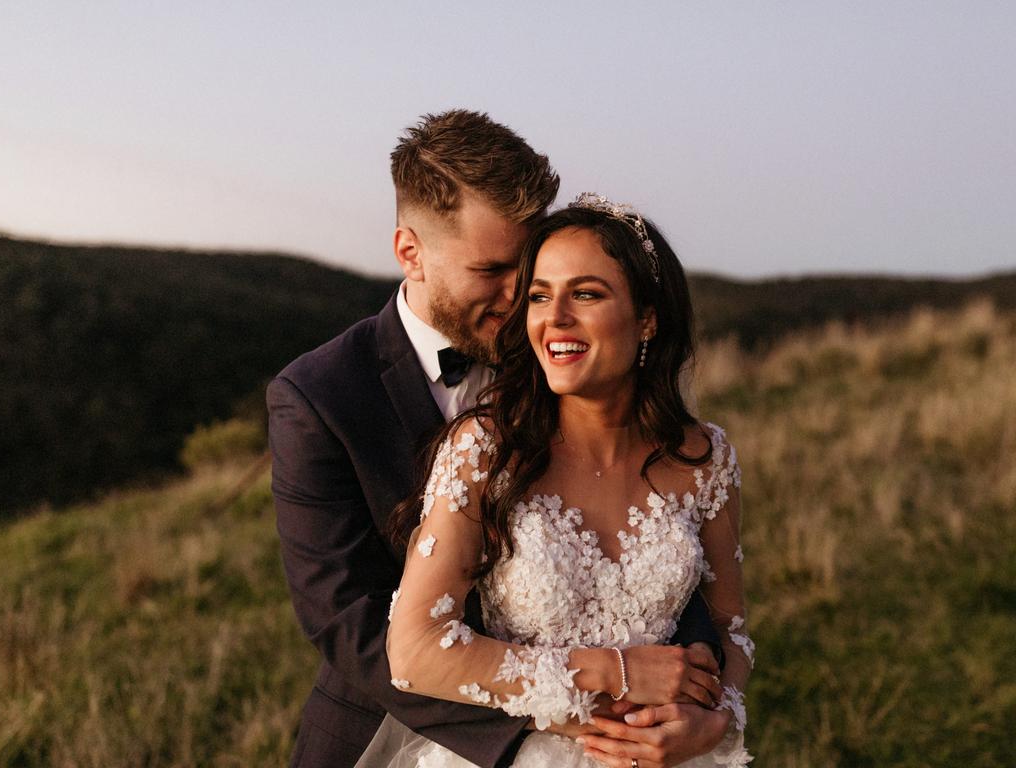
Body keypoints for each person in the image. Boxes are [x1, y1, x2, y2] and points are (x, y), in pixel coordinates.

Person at [268, 110, 727, 767]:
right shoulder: (317, 397)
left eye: (529, 266)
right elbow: (349, 625)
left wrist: (694, 687)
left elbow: (655, 526)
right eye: (492, 271)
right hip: (401, 733)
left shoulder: (563, 349)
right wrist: (559, 716)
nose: (521, 300)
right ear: (410, 253)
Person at [373, 196, 754, 768]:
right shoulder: (485, 452)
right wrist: (615, 672)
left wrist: (714, 719)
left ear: (647, 317)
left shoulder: (705, 459)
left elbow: (731, 632)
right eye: (540, 296)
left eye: (586, 294)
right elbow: (415, 651)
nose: (555, 319)